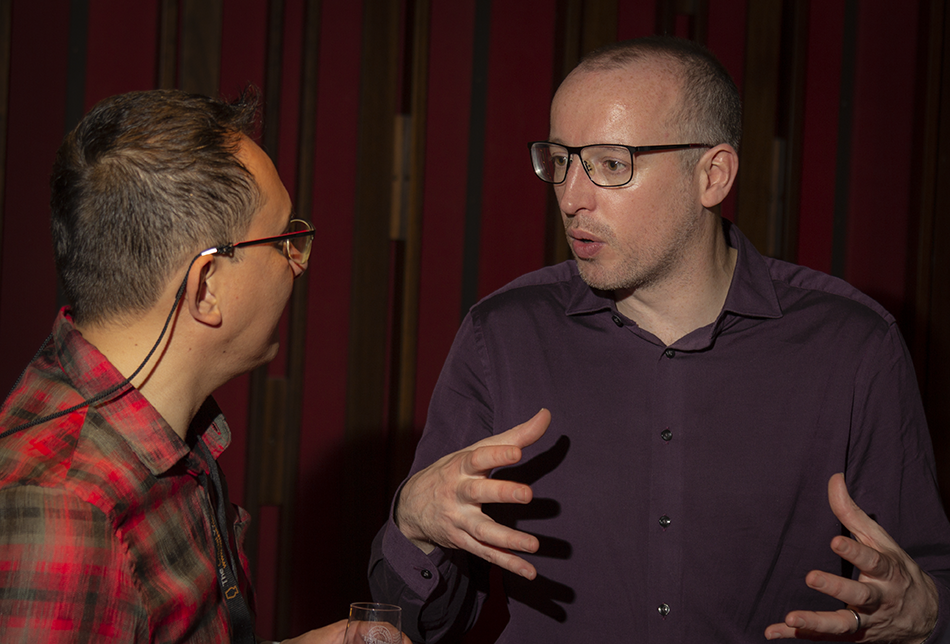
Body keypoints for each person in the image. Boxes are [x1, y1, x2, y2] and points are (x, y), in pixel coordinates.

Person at [368, 36, 950, 643]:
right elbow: (421, 627)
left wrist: (925, 616)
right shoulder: (503, 336)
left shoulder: (852, 345)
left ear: (712, 175)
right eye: (562, 161)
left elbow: (926, 584)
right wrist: (413, 525)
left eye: (611, 164)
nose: (572, 198)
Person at [0, 89, 355, 643]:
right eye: (285, 238)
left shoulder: (159, 428)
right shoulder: (66, 512)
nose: (297, 263)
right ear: (206, 287)